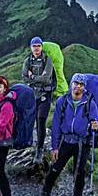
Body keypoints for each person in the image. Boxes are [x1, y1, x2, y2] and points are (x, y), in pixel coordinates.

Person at [35, 73, 98, 196]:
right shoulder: (62, 101)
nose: (78, 87)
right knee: (55, 168)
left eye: (81, 85)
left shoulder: (90, 104)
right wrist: (55, 147)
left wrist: (96, 126)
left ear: (85, 87)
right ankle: (44, 195)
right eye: (76, 83)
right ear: (71, 84)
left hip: (82, 143)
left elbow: (96, 125)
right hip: (65, 141)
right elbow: (56, 125)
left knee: (80, 172)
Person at [22, 36, 55, 164]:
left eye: (38, 46)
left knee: (41, 120)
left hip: (45, 95)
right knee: (30, 119)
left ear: (42, 47)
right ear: (31, 47)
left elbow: (46, 78)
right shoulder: (27, 61)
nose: (36, 48)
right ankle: (28, 143)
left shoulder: (48, 60)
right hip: (32, 95)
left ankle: (40, 150)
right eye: (34, 46)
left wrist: (33, 76)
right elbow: (24, 78)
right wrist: (37, 77)